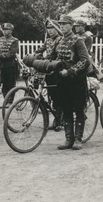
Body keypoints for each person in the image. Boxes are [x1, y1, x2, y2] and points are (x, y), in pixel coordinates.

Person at [52, 15, 91, 150]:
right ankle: (69, 139)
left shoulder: (78, 41)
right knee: (66, 109)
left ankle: (78, 140)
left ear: (71, 25)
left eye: (65, 24)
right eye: (60, 24)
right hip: (62, 81)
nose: (62, 26)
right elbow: (52, 57)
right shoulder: (59, 40)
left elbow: (85, 61)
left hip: (76, 81)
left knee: (79, 109)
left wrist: (70, 71)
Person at [33, 18, 63, 131]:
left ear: (57, 29)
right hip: (49, 70)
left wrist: (44, 59)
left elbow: (55, 55)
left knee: (58, 96)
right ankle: (57, 119)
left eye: (52, 28)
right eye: (48, 28)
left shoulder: (60, 40)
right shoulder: (48, 40)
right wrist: (34, 56)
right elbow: (40, 50)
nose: (50, 31)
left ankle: (59, 120)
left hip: (57, 70)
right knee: (52, 95)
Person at [0, 22, 20, 99]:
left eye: (7, 30)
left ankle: (10, 100)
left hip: (11, 64)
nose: (5, 31)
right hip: (2, 65)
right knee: (4, 83)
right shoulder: (1, 39)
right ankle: (6, 99)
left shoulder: (14, 40)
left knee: (11, 83)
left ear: (11, 31)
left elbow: (11, 53)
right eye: (4, 30)